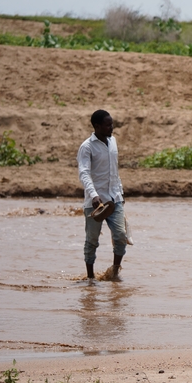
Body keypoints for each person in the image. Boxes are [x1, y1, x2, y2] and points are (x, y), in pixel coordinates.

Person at [77, 110, 127, 280]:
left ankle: (114, 272)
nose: (111, 127)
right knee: (92, 241)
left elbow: (115, 171)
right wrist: (93, 194)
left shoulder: (113, 142)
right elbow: (84, 173)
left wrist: (120, 192)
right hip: (95, 203)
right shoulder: (87, 147)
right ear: (97, 126)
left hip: (115, 199)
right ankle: (90, 278)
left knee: (121, 236)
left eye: (111, 124)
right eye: (107, 125)